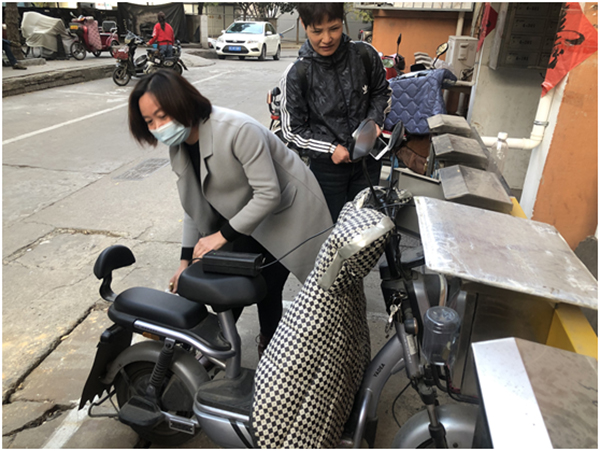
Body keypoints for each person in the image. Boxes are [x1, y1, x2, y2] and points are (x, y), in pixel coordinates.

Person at [128, 70, 333, 356]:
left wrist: (219, 237)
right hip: (245, 214)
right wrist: (185, 261)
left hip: (286, 214)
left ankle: (266, 349)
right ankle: (214, 346)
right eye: (150, 121)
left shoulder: (237, 129)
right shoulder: (179, 147)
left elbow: (268, 194)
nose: (158, 127)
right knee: (230, 277)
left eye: (162, 116)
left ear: (183, 103)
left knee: (267, 285)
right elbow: (194, 207)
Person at [280, 3, 391, 222]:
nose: (327, 39)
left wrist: (374, 122)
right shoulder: (297, 73)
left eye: (334, 28)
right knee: (328, 228)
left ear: (342, 20)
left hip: (368, 161)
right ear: (304, 24)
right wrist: (330, 148)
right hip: (327, 171)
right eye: (317, 31)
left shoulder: (364, 55)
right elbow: (292, 130)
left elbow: (382, 92)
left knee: (366, 226)